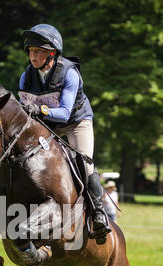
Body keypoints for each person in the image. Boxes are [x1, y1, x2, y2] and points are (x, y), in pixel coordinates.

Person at [19, 24, 111, 243]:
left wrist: (39, 110)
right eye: (31, 51)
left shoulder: (69, 73)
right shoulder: (26, 77)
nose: (33, 56)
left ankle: (98, 213)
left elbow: (64, 113)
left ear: (52, 53)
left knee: (84, 162)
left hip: (76, 123)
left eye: (38, 51)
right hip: (48, 124)